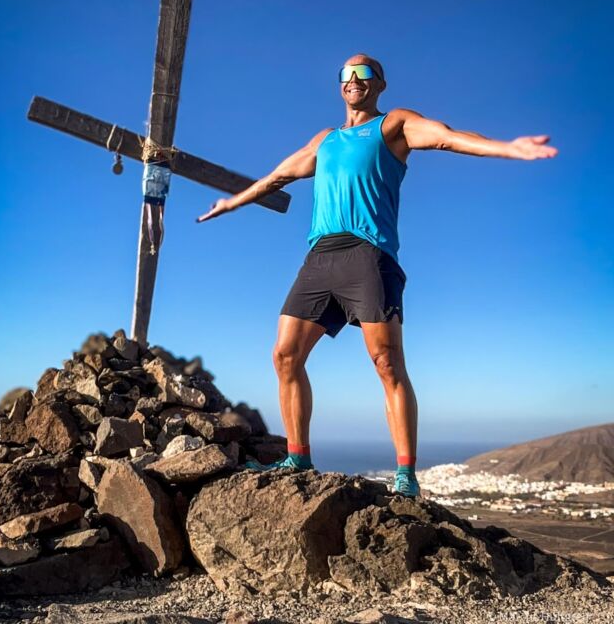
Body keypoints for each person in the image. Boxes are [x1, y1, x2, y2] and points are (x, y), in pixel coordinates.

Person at [196, 54, 558, 497]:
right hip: (320, 255)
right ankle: (298, 457)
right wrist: (231, 203)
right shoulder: (325, 140)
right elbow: (275, 177)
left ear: (380, 84)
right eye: (346, 75)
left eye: (363, 73)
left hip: (369, 255)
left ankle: (405, 474)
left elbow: (447, 138)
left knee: (387, 364)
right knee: (285, 356)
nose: (353, 80)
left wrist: (508, 147)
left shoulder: (394, 126)